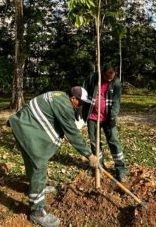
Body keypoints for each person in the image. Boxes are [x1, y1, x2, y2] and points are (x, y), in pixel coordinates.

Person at [7, 87, 98, 227]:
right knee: (38, 165)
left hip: (23, 125)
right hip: (27, 129)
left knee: (34, 162)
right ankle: (37, 211)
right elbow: (72, 133)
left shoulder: (60, 95)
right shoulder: (64, 105)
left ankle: (36, 188)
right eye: (80, 103)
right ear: (74, 99)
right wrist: (89, 155)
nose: (80, 106)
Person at [82, 65, 127, 182]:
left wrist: (113, 116)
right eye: (107, 78)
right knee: (94, 143)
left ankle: (120, 168)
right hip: (92, 117)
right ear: (102, 73)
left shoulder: (116, 82)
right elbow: (83, 92)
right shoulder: (92, 77)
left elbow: (117, 101)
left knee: (114, 141)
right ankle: (99, 167)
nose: (109, 80)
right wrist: (82, 109)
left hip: (108, 117)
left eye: (111, 78)